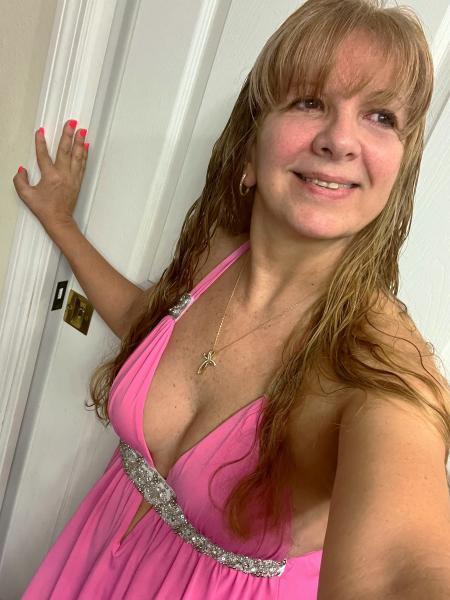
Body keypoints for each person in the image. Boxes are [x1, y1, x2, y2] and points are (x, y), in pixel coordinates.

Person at [13, 0, 450, 598]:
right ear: (250, 153)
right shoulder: (217, 254)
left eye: (380, 116)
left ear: (398, 170)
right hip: (95, 561)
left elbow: (403, 565)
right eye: (309, 101)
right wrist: (61, 222)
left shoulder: (382, 370)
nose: (340, 139)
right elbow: (144, 325)